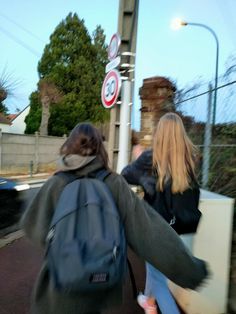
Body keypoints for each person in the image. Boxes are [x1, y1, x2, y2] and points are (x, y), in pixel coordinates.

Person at [21, 122, 208, 314]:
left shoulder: (56, 183)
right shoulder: (114, 183)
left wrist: (65, 243)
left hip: (57, 287)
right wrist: (192, 271)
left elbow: (32, 227)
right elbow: (151, 234)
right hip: (98, 281)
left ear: (68, 146)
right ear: (100, 148)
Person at [121, 112, 202, 314]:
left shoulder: (152, 157)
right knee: (155, 272)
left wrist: (141, 170)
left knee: (157, 279)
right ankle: (148, 302)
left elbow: (125, 175)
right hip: (179, 228)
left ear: (161, 133)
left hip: (155, 229)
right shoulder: (190, 159)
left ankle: (154, 303)